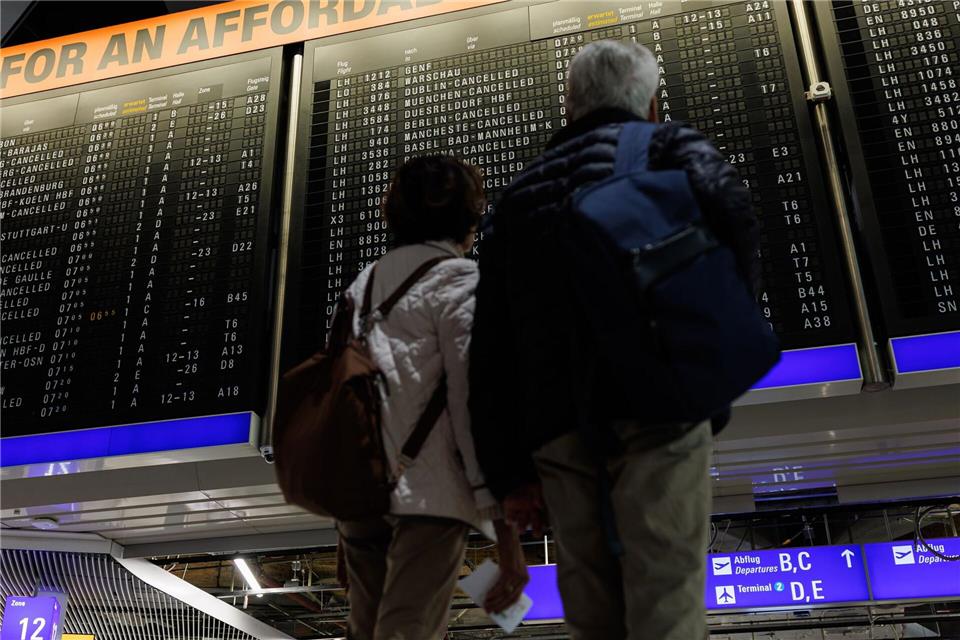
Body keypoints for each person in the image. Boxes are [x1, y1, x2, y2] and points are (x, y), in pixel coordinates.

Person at [469, 41, 759, 639]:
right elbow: (738, 232)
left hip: (558, 428)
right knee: (665, 591)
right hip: (660, 402)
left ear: (569, 105)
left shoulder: (519, 197)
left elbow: (491, 348)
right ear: (652, 103)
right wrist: (712, 373)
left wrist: (507, 473)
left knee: (590, 604)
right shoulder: (674, 151)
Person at [336, 155, 528, 640]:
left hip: (359, 498)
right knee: (409, 631)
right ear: (468, 216)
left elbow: (343, 403)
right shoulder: (460, 281)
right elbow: (473, 407)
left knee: (370, 632)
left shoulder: (363, 285)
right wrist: (505, 535)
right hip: (429, 496)